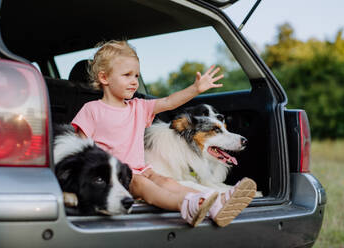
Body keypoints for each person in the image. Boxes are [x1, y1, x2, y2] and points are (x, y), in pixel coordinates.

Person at [72, 40, 256, 227]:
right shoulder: (91, 110)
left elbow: (169, 101)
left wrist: (195, 89)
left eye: (136, 75)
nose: (134, 81)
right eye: (127, 75)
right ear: (104, 78)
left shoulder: (139, 107)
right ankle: (186, 206)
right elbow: (81, 149)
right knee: (146, 187)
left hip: (141, 169)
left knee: (168, 182)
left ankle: (213, 202)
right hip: (115, 175)